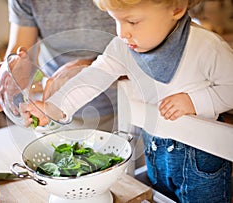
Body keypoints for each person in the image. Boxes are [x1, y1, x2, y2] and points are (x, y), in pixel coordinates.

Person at [20, 0, 233, 202]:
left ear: (177, 7)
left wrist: (194, 102)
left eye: (132, 21)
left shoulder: (207, 47)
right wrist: (54, 107)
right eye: (116, 20)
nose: (122, 32)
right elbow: (93, 76)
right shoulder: (124, 46)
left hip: (202, 163)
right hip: (155, 155)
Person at [0, 0, 118, 132]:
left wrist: (84, 68)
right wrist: (12, 74)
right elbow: (20, 48)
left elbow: (125, 59)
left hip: (120, 105)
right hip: (54, 111)